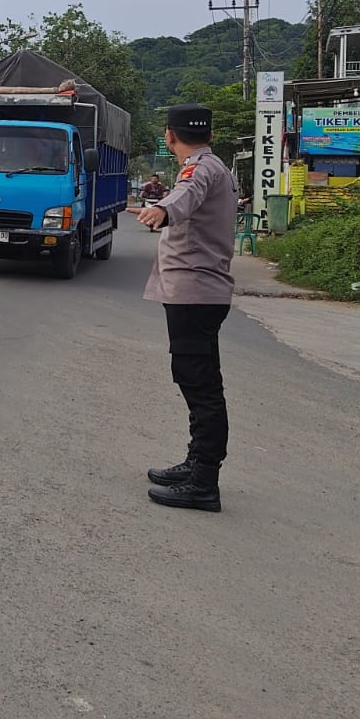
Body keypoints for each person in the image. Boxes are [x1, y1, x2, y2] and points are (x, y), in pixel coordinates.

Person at [135, 104, 237, 513]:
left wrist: (161, 209)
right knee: (195, 379)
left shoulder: (197, 170)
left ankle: (203, 481)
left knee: (201, 385)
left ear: (169, 136)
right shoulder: (219, 168)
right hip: (200, 291)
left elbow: (183, 195)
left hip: (195, 291)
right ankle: (196, 463)